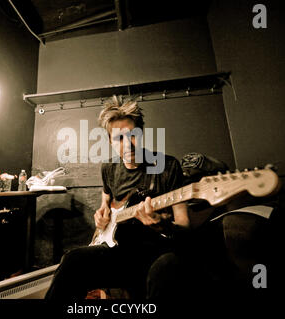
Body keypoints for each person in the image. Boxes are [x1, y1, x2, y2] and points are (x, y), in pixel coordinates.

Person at [44, 96, 192, 300]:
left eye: (133, 135)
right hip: (117, 249)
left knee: (166, 269)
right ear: (110, 141)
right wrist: (102, 213)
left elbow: (185, 224)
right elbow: (106, 199)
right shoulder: (109, 168)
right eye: (119, 138)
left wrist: (163, 227)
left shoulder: (168, 166)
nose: (128, 145)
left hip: (155, 249)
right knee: (72, 259)